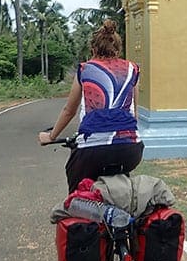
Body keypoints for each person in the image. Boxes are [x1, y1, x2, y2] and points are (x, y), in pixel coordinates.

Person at [38, 19, 144, 192]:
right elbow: (135, 111)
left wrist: (51, 137)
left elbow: (69, 111)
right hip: (131, 150)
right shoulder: (133, 69)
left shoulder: (85, 69)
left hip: (92, 150)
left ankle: (77, 213)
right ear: (118, 49)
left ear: (93, 49)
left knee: (77, 187)